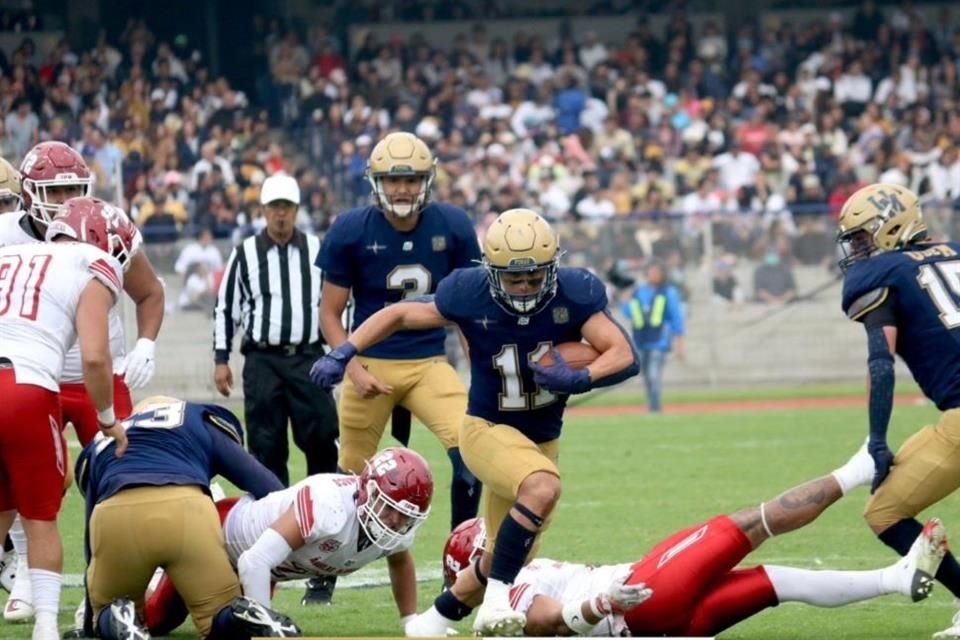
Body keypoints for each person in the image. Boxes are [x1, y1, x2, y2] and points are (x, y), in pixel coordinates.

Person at [310, 208, 640, 636]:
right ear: (490, 270)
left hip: (540, 438)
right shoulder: (470, 292)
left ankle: (433, 620)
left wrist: (582, 376)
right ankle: (497, 600)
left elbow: (623, 353)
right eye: (513, 278)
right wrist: (344, 351)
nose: (523, 288)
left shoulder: (574, 294)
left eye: (534, 278)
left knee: (505, 551)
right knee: (542, 488)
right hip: (485, 430)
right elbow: (399, 314)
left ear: (552, 269)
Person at [428, 445, 946, 637]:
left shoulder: (501, 599)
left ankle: (896, 579)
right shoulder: (508, 592)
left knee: (776, 584)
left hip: (657, 621)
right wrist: (599, 602)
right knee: (751, 525)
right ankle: (859, 468)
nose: (519, 542)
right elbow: (540, 620)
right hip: (643, 598)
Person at [0, 142, 165, 624]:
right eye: (57, 190)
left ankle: (115, 580)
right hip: (37, 378)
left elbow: (150, 291)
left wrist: (145, 345)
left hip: (91, 375)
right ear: (27, 194)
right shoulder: (7, 234)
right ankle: (30, 579)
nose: (68, 198)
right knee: (24, 486)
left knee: (124, 477)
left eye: (75, 188)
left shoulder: (101, 225)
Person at [314, 130, 482, 601]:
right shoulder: (352, 228)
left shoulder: (452, 225)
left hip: (429, 362)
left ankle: (462, 562)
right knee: (345, 481)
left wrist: (479, 367)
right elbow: (330, 312)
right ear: (376, 183)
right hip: (370, 363)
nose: (402, 189)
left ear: (426, 180)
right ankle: (323, 569)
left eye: (410, 179)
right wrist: (351, 368)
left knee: (471, 453)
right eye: (393, 180)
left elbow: (470, 307)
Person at [0, 198, 132, 640]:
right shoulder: (92, 260)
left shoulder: (11, 250)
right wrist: (109, 417)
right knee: (41, 515)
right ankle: (44, 627)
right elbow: (95, 357)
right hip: (24, 386)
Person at [836, 183, 960, 639]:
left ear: (891, 226)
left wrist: (877, 439)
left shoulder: (882, 274)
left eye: (863, 238)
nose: (858, 250)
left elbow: (881, 365)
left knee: (884, 512)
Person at [71, 395, 298, 640]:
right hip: (188, 509)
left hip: (117, 512)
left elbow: (90, 543)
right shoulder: (195, 418)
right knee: (219, 617)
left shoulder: (101, 442)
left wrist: (90, 625)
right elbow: (266, 486)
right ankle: (241, 614)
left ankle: (116, 615)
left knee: (105, 612)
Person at [141, 447, 434, 637]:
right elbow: (253, 561)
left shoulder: (395, 526)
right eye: (390, 509)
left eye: (406, 515)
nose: (396, 522)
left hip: (262, 569)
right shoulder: (328, 505)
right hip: (217, 538)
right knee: (155, 620)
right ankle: (163, 557)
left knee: (228, 630)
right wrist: (264, 627)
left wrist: (411, 621)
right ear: (368, 490)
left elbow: (400, 560)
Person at [213, 174, 339, 486]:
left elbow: (337, 302)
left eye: (286, 206)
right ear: (263, 210)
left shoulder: (317, 250)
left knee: (323, 438)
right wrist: (221, 358)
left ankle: (324, 514)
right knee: (265, 446)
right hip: (263, 362)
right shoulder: (245, 253)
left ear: (296, 209)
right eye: (274, 206)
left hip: (309, 358)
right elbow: (227, 307)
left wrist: (339, 352)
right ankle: (273, 516)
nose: (280, 213)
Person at [621, 260, 686, 413]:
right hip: (641, 340)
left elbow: (676, 317)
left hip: (659, 341)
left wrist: (680, 343)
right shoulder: (639, 292)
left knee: (654, 374)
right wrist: (625, 300)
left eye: (656, 272)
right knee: (647, 376)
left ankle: (655, 407)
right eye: (650, 272)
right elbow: (629, 312)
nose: (653, 275)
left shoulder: (669, 292)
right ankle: (652, 404)